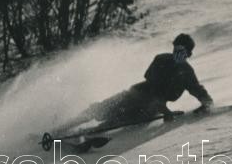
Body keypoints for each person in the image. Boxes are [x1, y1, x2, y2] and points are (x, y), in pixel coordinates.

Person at [81, 33, 213, 126]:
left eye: (182, 51)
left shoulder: (187, 72)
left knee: (115, 121)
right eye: (176, 49)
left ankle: (92, 134)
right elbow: (153, 86)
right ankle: (65, 126)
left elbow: (197, 90)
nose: (178, 54)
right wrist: (165, 111)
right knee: (99, 110)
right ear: (173, 48)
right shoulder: (161, 60)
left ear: (188, 54)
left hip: (148, 110)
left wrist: (207, 104)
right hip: (133, 96)